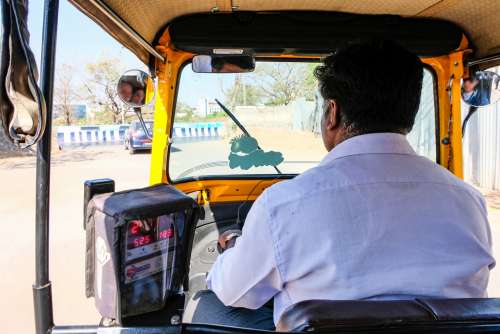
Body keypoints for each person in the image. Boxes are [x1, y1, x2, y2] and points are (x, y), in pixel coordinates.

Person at [183, 41, 495, 330]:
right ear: (409, 114)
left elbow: (234, 291)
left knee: (205, 302)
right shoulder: (469, 201)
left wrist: (234, 247)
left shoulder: (283, 205)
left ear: (333, 112)